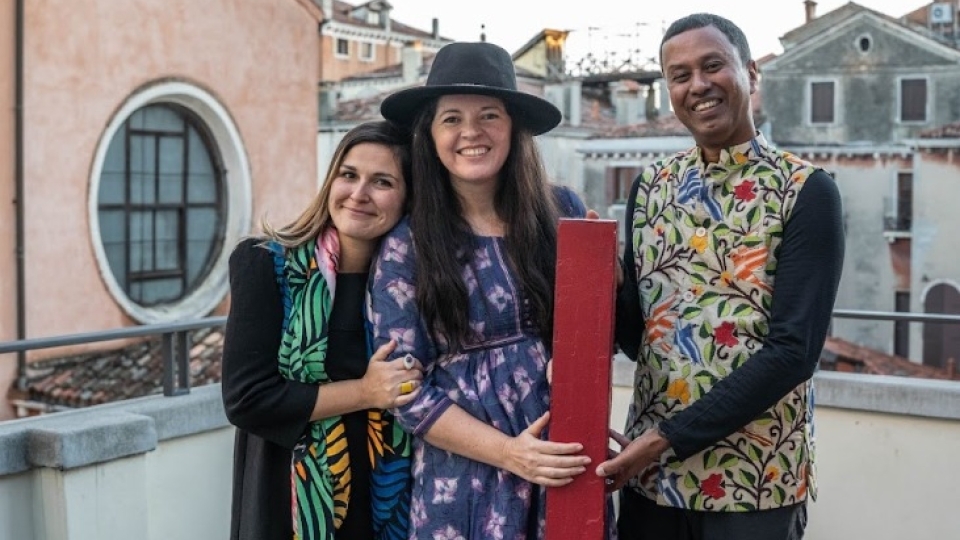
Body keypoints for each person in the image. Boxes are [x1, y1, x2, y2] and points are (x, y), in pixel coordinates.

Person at [596, 13, 845, 540]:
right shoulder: (651, 188)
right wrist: (609, 282)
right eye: (679, 75)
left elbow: (793, 352)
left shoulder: (806, 191)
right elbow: (640, 340)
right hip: (652, 483)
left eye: (713, 66)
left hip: (757, 481)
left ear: (750, 73)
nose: (698, 85)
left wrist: (664, 438)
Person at [370, 41, 613, 539]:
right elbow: (405, 391)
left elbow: (592, 337)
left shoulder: (560, 210)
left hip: (561, 457)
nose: (470, 133)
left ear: (514, 129)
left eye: (489, 116)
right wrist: (509, 453)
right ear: (431, 135)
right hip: (463, 478)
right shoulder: (407, 245)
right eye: (451, 119)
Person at [221, 120, 422, 540]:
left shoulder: (412, 289)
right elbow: (247, 400)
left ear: (408, 199)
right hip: (288, 500)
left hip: (384, 498)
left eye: (382, 182)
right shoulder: (266, 265)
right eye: (348, 175)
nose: (359, 194)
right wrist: (366, 393)